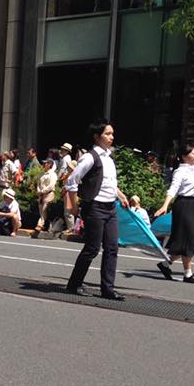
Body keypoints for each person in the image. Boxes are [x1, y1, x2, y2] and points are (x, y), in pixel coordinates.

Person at [64, 120, 130, 300]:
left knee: (112, 248)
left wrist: (121, 196)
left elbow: (108, 182)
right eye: (107, 134)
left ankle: (108, 289)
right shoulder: (90, 157)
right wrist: (74, 206)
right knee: (92, 248)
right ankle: (74, 284)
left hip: (110, 208)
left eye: (112, 133)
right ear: (96, 136)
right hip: (95, 207)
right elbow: (71, 181)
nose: (111, 137)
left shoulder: (109, 158)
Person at [153, 144, 194, 284]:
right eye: (193, 154)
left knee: (188, 239)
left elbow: (189, 190)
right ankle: (188, 274)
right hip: (183, 206)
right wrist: (165, 205)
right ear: (184, 156)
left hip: (192, 205)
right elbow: (174, 189)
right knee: (187, 237)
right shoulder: (180, 172)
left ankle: (165, 264)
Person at [35, 158, 57, 232]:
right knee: (41, 211)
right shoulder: (42, 174)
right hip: (41, 195)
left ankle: (40, 225)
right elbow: (38, 183)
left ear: (50, 165)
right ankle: (42, 225)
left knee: (44, 209)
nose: (43, 165)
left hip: (48, 194)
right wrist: (39, 190)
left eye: (45, 163)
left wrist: (43, 191)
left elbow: (51, 185)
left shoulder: (53, 174)